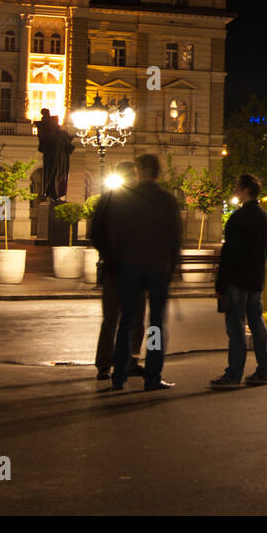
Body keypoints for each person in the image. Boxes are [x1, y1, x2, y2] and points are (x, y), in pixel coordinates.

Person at [106, 154, 183, 391]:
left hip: (130, 266)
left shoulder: (126, 200)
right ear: (158, 172)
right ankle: (152, 375)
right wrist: (172, 266)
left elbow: (114, 234)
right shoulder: (167, 201)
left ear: (139, 171)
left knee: (126, 322)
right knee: (155, 325)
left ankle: (118, 376)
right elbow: (175, 237)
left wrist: (117, 262)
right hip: (158, 267)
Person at [211, 173, 267, 389]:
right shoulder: (265, 219)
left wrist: (220, 284)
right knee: (257, 323)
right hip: (256, 278)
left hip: (237, 279)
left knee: (236, 327)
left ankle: (233, 374)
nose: (235, 190)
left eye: (237, 187)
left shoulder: (238, 219)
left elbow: (229, 254)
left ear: (245, 190)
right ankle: (264, 370)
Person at [89, 182, 147, 382]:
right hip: (130, 268)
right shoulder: (139, 200)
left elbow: (95, 233)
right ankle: (127, 361)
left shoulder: (108, 200)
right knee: (131, 319)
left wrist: (106, 254)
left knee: (113, 319)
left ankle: (106, 365)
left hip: (116, 268)